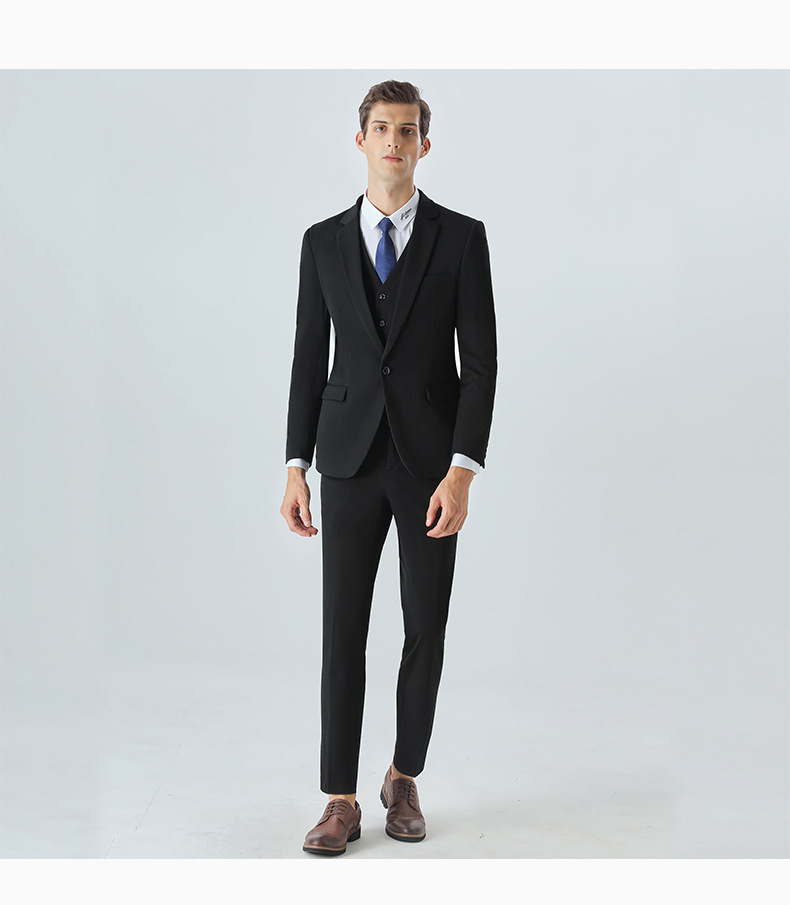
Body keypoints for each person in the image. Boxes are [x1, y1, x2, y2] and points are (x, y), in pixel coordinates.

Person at [281, 79, 497, 856]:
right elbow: (308, 360)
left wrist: (462, 470)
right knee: (342, 629)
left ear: (424, 145)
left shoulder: (461, 239)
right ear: (362, 140)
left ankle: (403, 775)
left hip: (430, 467)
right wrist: (296, 463)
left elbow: (480, 365)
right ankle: (339, 797)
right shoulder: (322, 242)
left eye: (408, 131)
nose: (395, 143)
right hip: (345, 460)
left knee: (424, 628)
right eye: (382, 129)